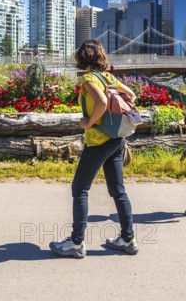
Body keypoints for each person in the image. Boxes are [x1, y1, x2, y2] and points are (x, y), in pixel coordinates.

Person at [50, 40, 138, 258]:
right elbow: (132, 97)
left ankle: (76, 243)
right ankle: (128, 239)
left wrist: (89, 122)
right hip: (116, 140)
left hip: (98, 141)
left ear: (83, 57)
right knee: (118, 191)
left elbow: (100, 101)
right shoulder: (109, 77)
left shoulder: (89, 79)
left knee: (80, 189)